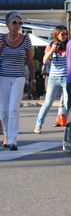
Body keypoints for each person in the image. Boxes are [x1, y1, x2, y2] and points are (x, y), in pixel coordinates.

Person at [0, 11, 36, 150]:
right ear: (8, 24)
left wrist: (33, 80)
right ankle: (7, 135)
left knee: (13, 108)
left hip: (19, 76)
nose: (17, 25)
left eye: (19, 22)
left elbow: (30, 61)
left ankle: (13, 140)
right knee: (3, 110)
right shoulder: (1, 38)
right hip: (3, 76)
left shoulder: (26, 39)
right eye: (14, 22)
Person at [34, 25, 69, 134]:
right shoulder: (50, 45)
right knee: (48, 102)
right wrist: (53, 48)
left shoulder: (68, 45)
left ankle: (70, 127)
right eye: (62, 34)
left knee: (68, 103)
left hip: (66, 77)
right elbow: (44, 60)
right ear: (56, 35)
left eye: (66, 34)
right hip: (53, 78)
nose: (64, 36)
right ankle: (38, 125)